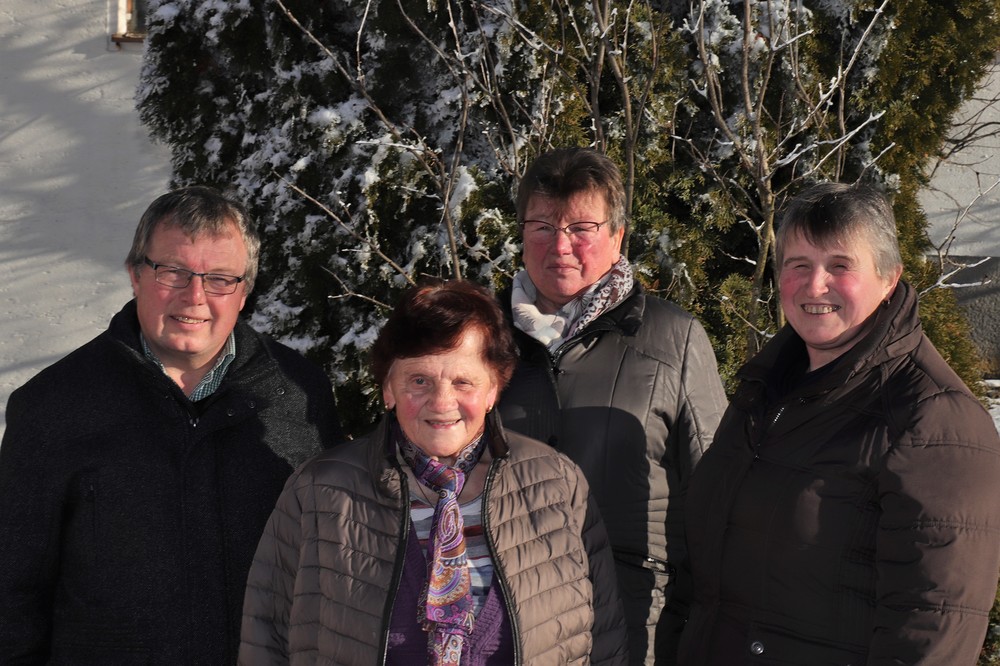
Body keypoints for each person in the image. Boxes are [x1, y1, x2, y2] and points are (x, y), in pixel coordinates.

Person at [0, 186, 342, 664]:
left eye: (220, 278)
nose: (194, 296)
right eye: (173, 272)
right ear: (136, 274)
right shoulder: (53, 407)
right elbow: (12, 594)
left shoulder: (301, 392)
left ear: (244, 291)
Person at [672, 183, 1000, 664]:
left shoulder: (933, 423)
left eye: (840, 265)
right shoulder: (764, 392)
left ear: (889, 278)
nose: (814, 285)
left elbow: (931, 629)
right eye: (798, 265)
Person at [239, 279, 629, 665]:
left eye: (463, 382)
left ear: (493, 389)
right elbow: (266, 636)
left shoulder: (556, 482)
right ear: (388, 388)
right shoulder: (319, 491)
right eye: (419, 380)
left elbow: (605, 639)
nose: (442, 402)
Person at [496, 147, 728, 664]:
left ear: (617, 236)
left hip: (634, 624)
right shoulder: (482, 340)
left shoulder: (674, 339)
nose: (560, 246)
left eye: (581, 227)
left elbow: (718, 498)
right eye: (542, 227)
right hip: (505, 625)